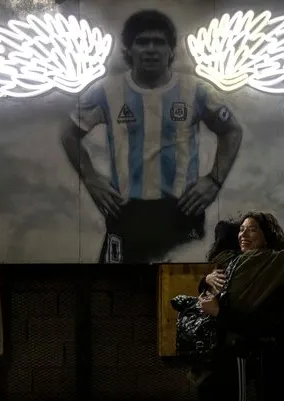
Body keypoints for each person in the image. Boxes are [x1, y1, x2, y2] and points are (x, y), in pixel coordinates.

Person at [60, 9, 243, 263]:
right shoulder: (106, 90)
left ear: (171, 51)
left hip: (181, 210)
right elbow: (69, 133)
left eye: (159, 42)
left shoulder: (196, 90)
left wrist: (214, 179)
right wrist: (90, 177)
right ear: (128, 51)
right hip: (126, 212)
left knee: (182, 287)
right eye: (142, 42)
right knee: (121, 292)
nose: (151, 49)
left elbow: (232, 130)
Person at [197, 212, 284, 401]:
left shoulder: (281, 269)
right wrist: (205, 280)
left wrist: (219, 312)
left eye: (252, 229)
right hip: (267, 363)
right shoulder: (244, 268)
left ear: (267, 236)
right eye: (241, 229)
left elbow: (265, 322)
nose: (243, 234)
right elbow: (225, 294)